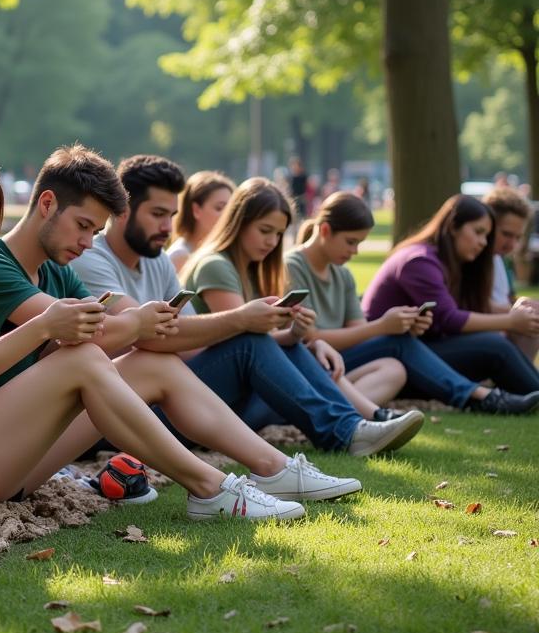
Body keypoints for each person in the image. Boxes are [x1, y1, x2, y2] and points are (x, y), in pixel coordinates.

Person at [0, 140, 311, 525]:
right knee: (84, 360)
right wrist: (47, 330)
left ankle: (273, 470)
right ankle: (211, 487)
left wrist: (54, 353)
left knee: (137, 363)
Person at [72, 156, 421, 458]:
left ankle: (351, 426)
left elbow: (192, 346)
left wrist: (287, 335)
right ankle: (348, 430)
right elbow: (152, 336)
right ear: (122, 211)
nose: (168, 227)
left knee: (273, 343)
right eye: (158, 214)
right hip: (120, 416)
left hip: (174, 398)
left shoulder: (158, 261)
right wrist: (241, 320)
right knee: (250, 340)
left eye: (172, 215)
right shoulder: (92, 258)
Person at [181, 177, 425, 438]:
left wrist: (298, 335)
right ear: (239, 222)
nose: (273, 242)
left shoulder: (254, 270)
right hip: (203, 395)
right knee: (275, 347)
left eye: (278, 234)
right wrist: (298, 340)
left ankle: (355, 423)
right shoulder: (215, 265)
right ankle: (352, 427)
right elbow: (244, 339)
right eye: (265, 231)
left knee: (307, 349)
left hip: (234, 392)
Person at [288, 192, 539, 415]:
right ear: (325, 231)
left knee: (395, 363)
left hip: (349, 359)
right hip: (313, 360)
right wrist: (383, 328)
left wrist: (404, 326)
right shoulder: (294, 266)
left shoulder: (342, 274)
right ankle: (480, 397)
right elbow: (310, 338)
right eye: (351, 242)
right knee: (491, 346)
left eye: (359, 243)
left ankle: (484, 396)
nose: (355, 252)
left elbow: (359, 330)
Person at [363, 194, 539, 394]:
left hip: (420, 346)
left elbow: (465, 307)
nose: (483, 243)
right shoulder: (419, 261)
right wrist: (510, 321)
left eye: (486, 236)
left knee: (500, 341)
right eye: (478, 232)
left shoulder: (449, 261)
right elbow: (448, 318)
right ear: (453, 226)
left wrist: (519, 312)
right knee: (495, 346)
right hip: (390, 354)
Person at [483, 186, 539, 361]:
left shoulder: (500, 260)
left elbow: (506, 299)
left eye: (518, 237)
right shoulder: (472, 259)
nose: (512, 245)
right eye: (506, 234)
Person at [166, 171, 235, 272]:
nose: (226, 215)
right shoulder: (180, 256)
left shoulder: (222, 254)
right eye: (219, 208)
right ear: (196, 210)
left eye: (230, 209)